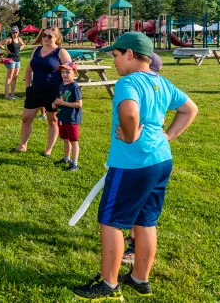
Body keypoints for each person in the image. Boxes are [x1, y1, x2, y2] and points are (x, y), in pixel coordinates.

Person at [72, 32, 198, 300]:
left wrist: (130, 137)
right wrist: (168, 136)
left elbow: (129, 112)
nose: (114, 61)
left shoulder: (127, 82)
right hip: (161, 160)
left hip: (132, 164)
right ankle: (140, 278)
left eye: (116, 55)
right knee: (146, 220)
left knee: (111, 222)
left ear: (130, 54)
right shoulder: (161, 82)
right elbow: (190, 109)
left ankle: (109, 283)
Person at [122, 51, 163, 265]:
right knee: (145, 213)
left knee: (142, 213)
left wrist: (132, 136)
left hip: (142, 159)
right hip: (153, 159)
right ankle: (139, 273)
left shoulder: (146, 87)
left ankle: (135, 246)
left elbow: (131, 115)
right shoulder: (151, 86)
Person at [12, 27, 71, 156]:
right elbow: (28, 70)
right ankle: (23, 145)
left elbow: (71, 71)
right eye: (44, 35)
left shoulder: (61, 52)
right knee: (26, 119)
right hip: (35, 91)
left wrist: (65, 90)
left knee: (52, 121)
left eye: (49, 36)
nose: (45, 38)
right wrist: (28, 87)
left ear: (56, 38)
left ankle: (48, 149)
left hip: (54, 92)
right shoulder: (37, 50)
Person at [52, 61, 82, 172]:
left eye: (68, 72)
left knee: (73, 141)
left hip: (72, 119)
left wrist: (62, 103)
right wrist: (56, 103)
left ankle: (75, 164)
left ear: (74, 73)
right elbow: (61, 98)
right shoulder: (62, 85)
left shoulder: (75, 87)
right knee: (65, 139)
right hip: (62, 117)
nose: (64, 74)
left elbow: (79, 104)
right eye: (63, 72)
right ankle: (66, 158)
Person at [0, 26, 26, 100]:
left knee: (15, 78)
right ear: (11, 32)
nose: (15, 34)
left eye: (16, 32)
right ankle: (7, 95)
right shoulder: (9, 39)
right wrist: (6, 49)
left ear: (18, 32)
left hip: (17, 59)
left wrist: (20, 48)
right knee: (9, 77)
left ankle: (13, 95)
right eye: (13, 32)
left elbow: (23, 44)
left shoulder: (19, 39)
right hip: (11, 59)